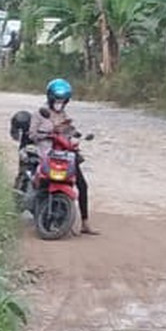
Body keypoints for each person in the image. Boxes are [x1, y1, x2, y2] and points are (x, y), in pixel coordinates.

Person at [29, 77, 96, 235]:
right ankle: (39, 210)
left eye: (63, 100)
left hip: (63, 154)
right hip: (46, 153)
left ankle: (85, 223)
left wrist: (75, 134)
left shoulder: (64, 115)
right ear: (50, 98)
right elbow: (32, 134)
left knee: (82, 184)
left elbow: (70, 131)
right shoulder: (40, 114)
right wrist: (46, 134)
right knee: (41, 182)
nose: (59, 103)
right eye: (57, 100)